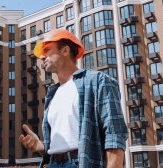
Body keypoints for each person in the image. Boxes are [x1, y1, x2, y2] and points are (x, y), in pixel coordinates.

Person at [19, 28, 128, 168]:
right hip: (52, 164)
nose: (41, 57)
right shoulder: (52, 94)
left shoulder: (98, 81)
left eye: (46, 50)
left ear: (65, 51)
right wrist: (40, 146)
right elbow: (62, 143)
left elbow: (115, 134)